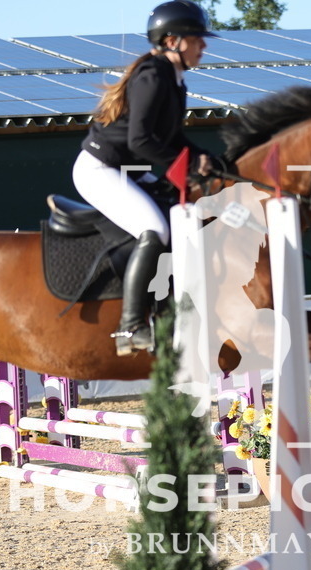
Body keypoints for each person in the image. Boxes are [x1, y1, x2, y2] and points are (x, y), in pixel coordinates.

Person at [72, 0, 218, 356]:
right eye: (197, 38)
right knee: (156, 229)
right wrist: (182, 166)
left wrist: (205, 158)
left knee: (180, 217)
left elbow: (171, 139)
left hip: (127, 170)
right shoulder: (153, 76)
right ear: (173, 41)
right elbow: (140, 141)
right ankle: (130, 326)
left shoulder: (174, 79)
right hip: (100, 170)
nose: (204, 45)